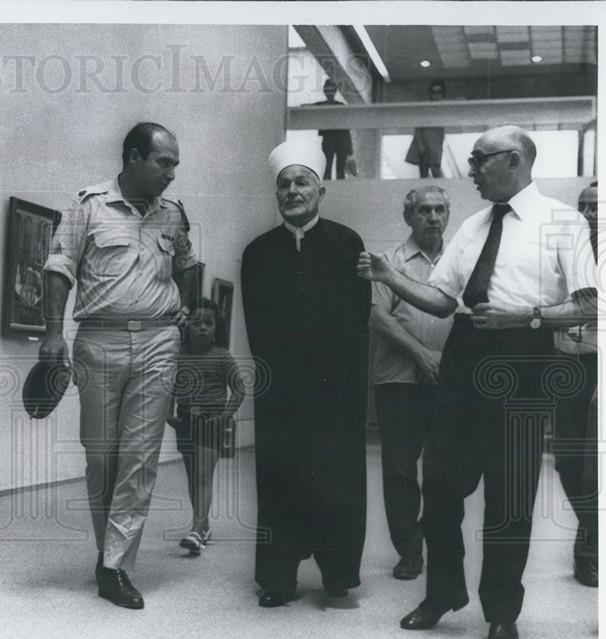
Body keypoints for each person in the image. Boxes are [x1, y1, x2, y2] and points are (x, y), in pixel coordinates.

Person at [358, 126, 597, 639]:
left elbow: (589, 303)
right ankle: (443, 594)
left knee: (510, 499)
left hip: (524, 358)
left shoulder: (563, 220)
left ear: (512, 161)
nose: (470, 170)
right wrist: (390, 278)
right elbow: (443, 300)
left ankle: (502, 614)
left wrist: (527, 316)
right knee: (440, 483)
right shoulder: (471, 225)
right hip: (467, 353)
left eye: (478, 160)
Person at [41, 122, 200, 610]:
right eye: (163, 163)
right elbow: (58, 268)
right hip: (100, 341)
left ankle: (114, 566)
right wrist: (51, 333)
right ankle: (107, 552)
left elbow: (189, 265)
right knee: (101, 456)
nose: (171, 174)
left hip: (157, 343)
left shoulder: (173, 215)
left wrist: (183, 318)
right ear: (133, 158)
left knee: (140, 457)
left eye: (175, 164)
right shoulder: (88, 206)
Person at [241, 139, 371, 607]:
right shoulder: (257, 253)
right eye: (284, 184)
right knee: (280, 478)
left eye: (302, 182)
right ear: (276, 194)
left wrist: (348, 387)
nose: (292, 190)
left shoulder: (348, 244)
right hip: (280, 393)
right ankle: (277, 577)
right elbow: (256, 327)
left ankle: (338, 576)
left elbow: (359, 321)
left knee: (337, 479)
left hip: (337, 393)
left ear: (321, 190)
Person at [370, 186, 453, 580]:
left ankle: (436, 543)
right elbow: (378, 318)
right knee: (400, 471)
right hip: (399, 380)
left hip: (447, 383)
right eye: (424, 210)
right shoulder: (389, 262)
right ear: (409, 217)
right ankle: (408, 551)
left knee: (442, 471)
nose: (433, 217)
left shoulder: (460, 263)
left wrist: (444, 362)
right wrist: (421, 354)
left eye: (439, 210)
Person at [167, 299, 246, 554]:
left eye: (209, 324)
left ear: (216, 328)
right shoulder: (178, 356)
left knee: (203, 475)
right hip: (186, 420)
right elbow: (168, 387)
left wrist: (226, 415)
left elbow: (239, 389)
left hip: (211, 420)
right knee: (193, 477)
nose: (203, 328)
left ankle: (196, 529)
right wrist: (168, 415)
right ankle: (203, 526)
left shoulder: (222, 356)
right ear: (186, 326)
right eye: (197, 323)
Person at [553, 180, 599, 587]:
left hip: (605, 367)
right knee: (567, 459)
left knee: (596, 467)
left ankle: (591, 549)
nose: (589, 215)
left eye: (597, 207)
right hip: (567, 362)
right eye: (583, 206)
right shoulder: (566, 253)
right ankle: (594, 533)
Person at [311, 79, 356, 180]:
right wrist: (350, 150)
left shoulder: (336, 106)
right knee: (328, 168)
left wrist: (350, 150)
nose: (330, 93)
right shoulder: (324, 106)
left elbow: (346, 129)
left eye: (331, 91)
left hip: (339, 140)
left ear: (335, 92)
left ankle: (337, 190)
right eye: (328, 91)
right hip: (331, 139)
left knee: (339, 170)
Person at [405, 81, 446, 178]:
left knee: (436, 170)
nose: (436, 95)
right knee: (424, 174)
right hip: (424, 144)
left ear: (443, 94)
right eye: (434, 92)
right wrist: (420, 144)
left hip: (435, 145)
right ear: (430, 94)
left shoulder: (444, 110)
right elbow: (418, 127)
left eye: (439, 92)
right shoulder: (425, 108)